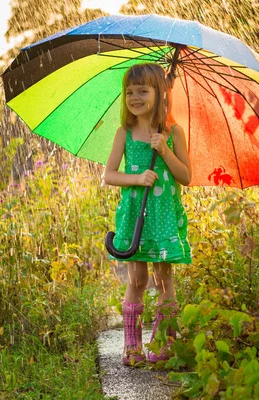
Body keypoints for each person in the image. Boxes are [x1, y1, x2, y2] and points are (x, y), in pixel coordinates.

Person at [103, 63, 192, 365]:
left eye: (143, 91)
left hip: (163, 215)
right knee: (138, 278)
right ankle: (132, 345)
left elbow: (186, 176)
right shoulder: (124, 133)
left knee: (164, 279)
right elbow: (110, 175)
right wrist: (138, 178)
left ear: (160, 93)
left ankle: (163, 341)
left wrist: (165, 151)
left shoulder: (173, 132)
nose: (135, 97)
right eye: (130, 92)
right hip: (136, 215)